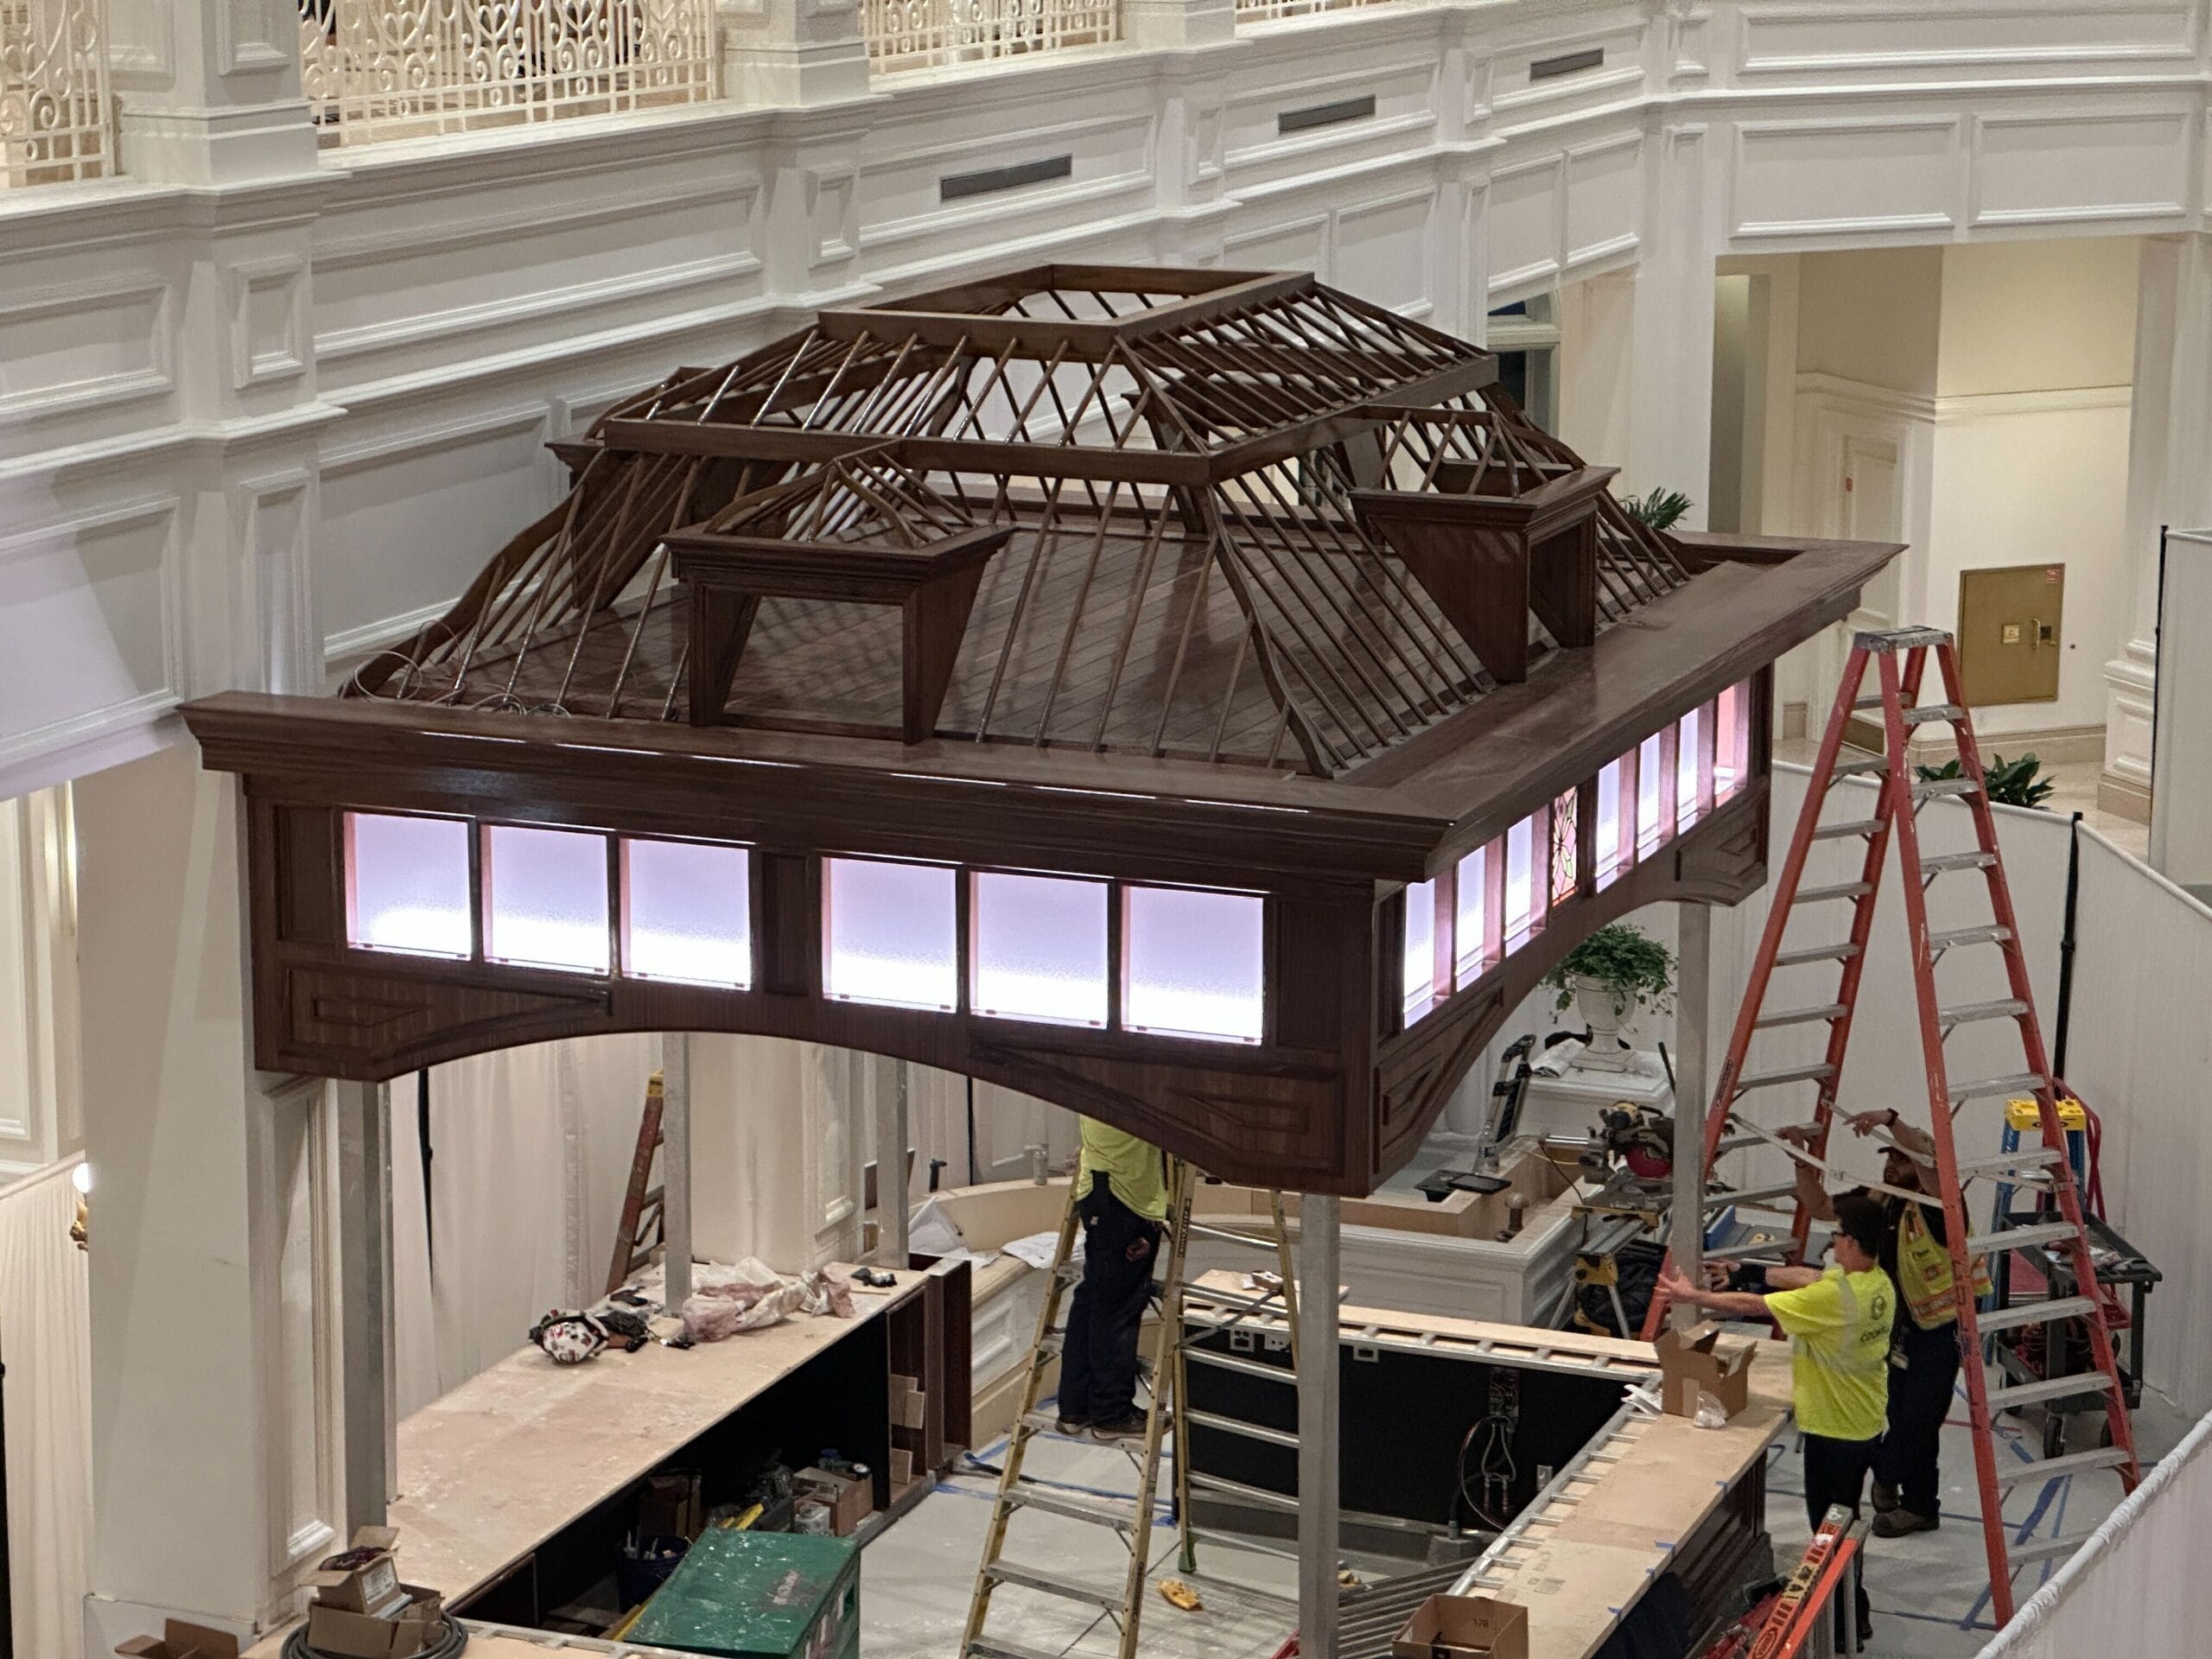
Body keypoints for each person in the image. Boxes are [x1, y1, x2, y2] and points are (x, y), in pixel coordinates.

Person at [1660, 1192, 1895, 1645]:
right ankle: (1853, 1611)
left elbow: (1756, 1308)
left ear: (1852, 1242)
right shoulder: (1874, 1283)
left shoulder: (1834, 1299)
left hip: (1834, 1430)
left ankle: (1845, 1625)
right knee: (1844, 1521)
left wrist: (1694, 1296)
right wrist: (1748, 1271)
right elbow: (1807, 1275)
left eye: (1837, 1235)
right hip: (1864, 1420)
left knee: (1828, 1533)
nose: (1832, 1243)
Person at [1810, 1106, 1989, 1538]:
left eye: (1901, 1158)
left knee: (1916, 1420)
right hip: (1895, 1330)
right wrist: (1802, 1160)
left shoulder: (1940, 1208)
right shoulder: (1877, 1200)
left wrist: (1892, 1118)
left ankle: (1884, 1472)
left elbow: (1932, 1167)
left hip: (1939, 1331)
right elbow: (1818, 1205)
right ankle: (1921, 1507)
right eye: (1889, 1157)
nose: (1892, 1165)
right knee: (1906, 1419)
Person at [1057, 1116, 1168, 1444]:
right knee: (1117, 1309)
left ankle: (1075, 1407)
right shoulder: (1130, 1086)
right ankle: (1112, 1413)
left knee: (1093, 1299)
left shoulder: (1096, 1076)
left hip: (1100, 1193)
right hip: (1126, 1200)